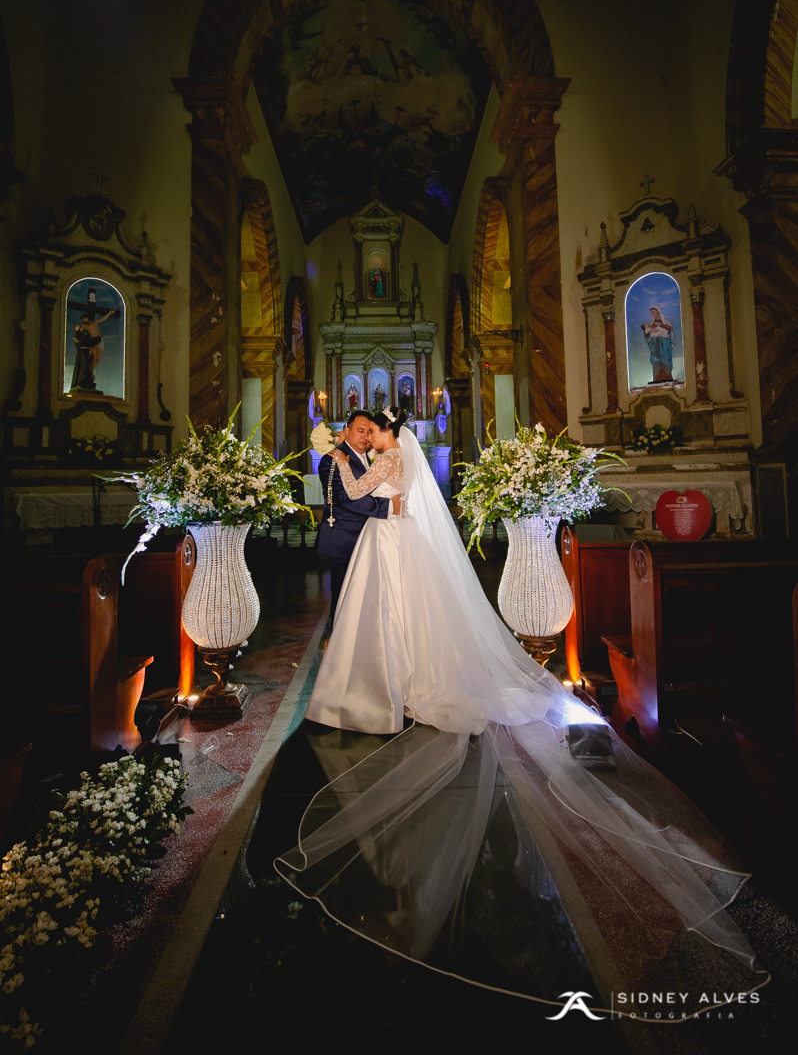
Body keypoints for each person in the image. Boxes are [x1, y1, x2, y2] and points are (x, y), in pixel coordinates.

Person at [280, 413, 765, 1016]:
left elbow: (354, 495)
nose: (370, 438)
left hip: (388, 547)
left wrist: (339, 460)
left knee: (383, 622)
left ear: (385, 438)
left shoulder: (381, 461)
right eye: (366, 434)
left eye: (373, 433)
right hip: (398, 544)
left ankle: (385, 689)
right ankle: (399, 684)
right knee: (402, 624)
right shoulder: (400, 460)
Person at [315, 411, 401, 625]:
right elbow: (345, 497)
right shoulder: (333, 459)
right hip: (345, 539)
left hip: (373, 538)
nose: (365, 437)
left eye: (369, 431)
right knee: (344, 598)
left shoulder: (375, 455)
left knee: (368, 600)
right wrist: (388, 506)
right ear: (347, 431)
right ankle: (339, 648)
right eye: (360, 431)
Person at [641, 305, 674, 382]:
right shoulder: (651, 323)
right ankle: (657, 378)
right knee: (656, 361)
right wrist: (648, 332)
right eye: (651, 312)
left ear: (658, 311)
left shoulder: (665, 320)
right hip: (655, 345)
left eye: (654, 311)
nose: (652, 313)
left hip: (664, 344)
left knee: (665, 359)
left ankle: (668, 377)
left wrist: (661, 325)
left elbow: (669, 328)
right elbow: (647, 334)